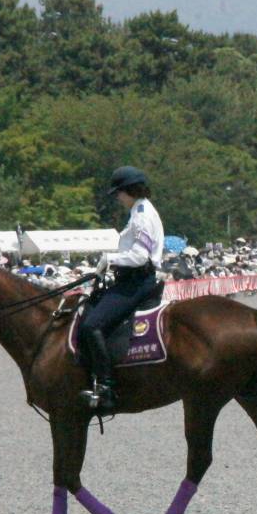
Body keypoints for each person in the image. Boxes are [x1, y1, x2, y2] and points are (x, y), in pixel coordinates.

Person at [78, 166, 165, 412]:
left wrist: (110, 259)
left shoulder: (142, 216)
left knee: (92, 325)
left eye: (118, 193)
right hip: (131, 279)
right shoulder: (139, 211)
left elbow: (139, 256)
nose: (117, 198)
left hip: (137, 281)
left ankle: (106, 387)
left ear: (129, 190)